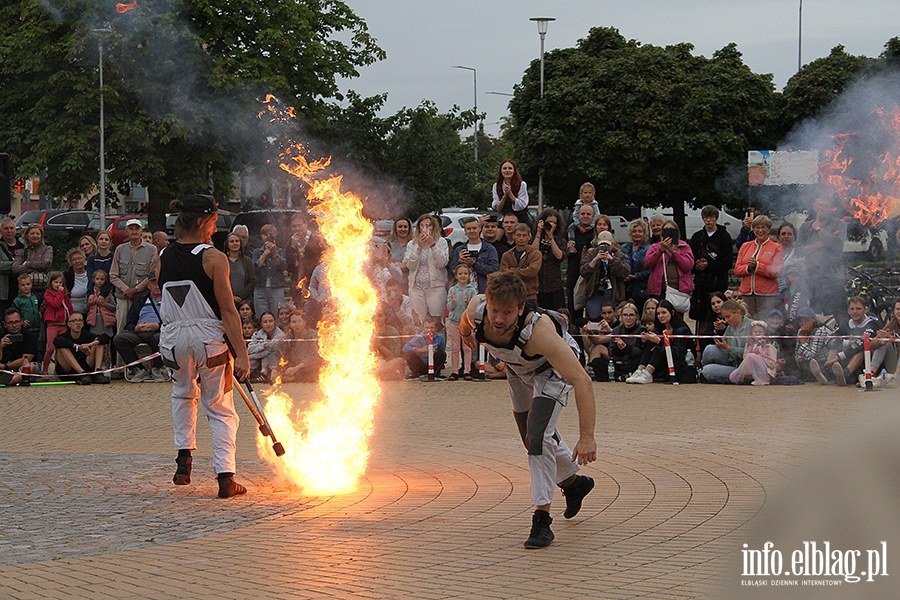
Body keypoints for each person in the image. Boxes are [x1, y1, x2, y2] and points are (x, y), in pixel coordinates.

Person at [459, 271, 597, 548]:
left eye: (508, 313)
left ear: (521, 309)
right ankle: (574, 484)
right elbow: (464, 321)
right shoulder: (477, 309)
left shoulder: (539, 332)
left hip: (553, 371)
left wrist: (587, 436)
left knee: (537, 436)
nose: (498, 319)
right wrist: (466, 336)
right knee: (531, 438)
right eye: (495, 310)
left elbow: (582, 380)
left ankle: (542, 519)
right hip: (517, 369)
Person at [158, 194, 250, 499]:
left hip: (172, 339)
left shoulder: (163, 257)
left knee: (183, 395)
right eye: (212, 222)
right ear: (201, 221)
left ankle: (183, 461)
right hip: (208, 339)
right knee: (221, 408)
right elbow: (227, 310)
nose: (215, 229)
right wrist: (241, 353)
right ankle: (226, 478)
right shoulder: (213, 258)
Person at [796, 196, 847, 321]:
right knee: (814, 314)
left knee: (836, 315)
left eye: (825, 206)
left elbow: (837, 245)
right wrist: (823, 242)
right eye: (819, 205)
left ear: (831, 209)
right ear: (814, 206)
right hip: (812, 277)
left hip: (834, 277)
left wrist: (819, 229)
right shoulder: (805, 227)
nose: (822, 209)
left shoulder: (839, 224)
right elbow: (798, 251)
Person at [824, 296, 892, 386]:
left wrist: (839, 357)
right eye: (852, 309)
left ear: (865, 310)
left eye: (858, 309)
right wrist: (846, 342)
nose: (855, 312)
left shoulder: (872, 324)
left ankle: (846, 373)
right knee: (834, 347)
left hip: (867, 361)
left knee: (861, 349)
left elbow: (861, 344)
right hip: (847, 356)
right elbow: (830, 340)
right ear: (848, 311)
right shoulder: (846, 324)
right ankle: (829, 371)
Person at [109, 219, 159, 341]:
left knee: (144, 328)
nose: (134, 231)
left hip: (142, 297)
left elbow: (152, 275)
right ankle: (121, 360)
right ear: (126, 231)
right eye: (131, 229)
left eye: (137, 228)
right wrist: (127, 290)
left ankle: (143, 360)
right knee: (121, 331)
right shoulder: (120, 249)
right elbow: (113, 275)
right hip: (123, 297)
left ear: (141, 230)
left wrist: (136, 289)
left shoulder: (151, 249)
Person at [625, 299, 695, 384]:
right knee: (652, 341)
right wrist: (644, 341)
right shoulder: (658, 328)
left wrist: (660, 342)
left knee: (658, 343)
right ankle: (640, 370)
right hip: (662, 363)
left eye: (664, 313)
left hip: (679, 363)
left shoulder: (682, 330)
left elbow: (677, 354)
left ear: (672, 313)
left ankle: (648, 372)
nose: (660, 316)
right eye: (658, 313)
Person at [689, 205, 734, 334]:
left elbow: (727, 262)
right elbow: (691, 260)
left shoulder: (724, 236)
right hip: (700, 285)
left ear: (716, 218)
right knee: (701, 317)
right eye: (706, 217)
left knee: (719, 315)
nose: (708, 220)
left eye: (711, 217)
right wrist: (697, 266)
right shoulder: (697, 237)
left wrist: (709, 265)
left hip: (718, 283)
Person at [114, 276, 167, 383]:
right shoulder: (139, 301)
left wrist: (158, 325)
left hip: (158, 331)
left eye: (158, 283)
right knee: (119, 339)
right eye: (153, 284)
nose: (156, 287)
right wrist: (136, 328)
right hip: (139, 332)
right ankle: (138, 369)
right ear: (148, 286)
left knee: (160, 339)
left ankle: (158, 368)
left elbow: (173, 323)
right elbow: (129, 322)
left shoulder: (168, 302)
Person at [403, 214, 449, 327]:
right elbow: (409, 265)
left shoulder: (441, 242)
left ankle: (439, 344)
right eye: (422, 225)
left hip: (436, 288)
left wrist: (433, 245)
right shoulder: (412, 244)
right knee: (418, 321)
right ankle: (420, 343)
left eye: (428, 225)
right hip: (416, 288)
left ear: (433, 227)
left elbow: (442, 263)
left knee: (437, 322)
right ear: (418, 227)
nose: (425, 227)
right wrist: (419, 248)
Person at [734, 214, 782, 318]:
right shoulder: (745, 246)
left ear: (768, 229)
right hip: (747, 293)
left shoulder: (776, 247)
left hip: (767, 294)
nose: (760, 230)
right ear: (753, 229)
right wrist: (748, 268)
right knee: (749, 321)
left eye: (763, 227)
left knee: (765, 323)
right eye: (757, 227)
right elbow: (737, 270)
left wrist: (758, 266)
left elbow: (776, 271)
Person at [579, 230, 630, 320]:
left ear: (612, 244)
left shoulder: (618, 254)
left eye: (607, 245)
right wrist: (595, 260)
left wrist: (612, 260)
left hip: (614, 293)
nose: (605, 247)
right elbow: (583, 272)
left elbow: (625, 273)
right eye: (602, 245)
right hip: (595, 293)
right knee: (595, 320)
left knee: (614, 320)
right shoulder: (592, 254)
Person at [700, 299, 753, 383]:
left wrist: (728, 348)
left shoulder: (752, 326)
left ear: (738, 313)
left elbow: (750, 353)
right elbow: (724, 342)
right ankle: (700, 371)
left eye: (728, 317)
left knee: (707, 370)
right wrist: (719, 341)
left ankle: (742, 378)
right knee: (709, 349)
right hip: (732, 360)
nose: (726, 320)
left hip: (745, 367)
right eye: (724, 318)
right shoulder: (730, 327)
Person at [644, 220, 694, 307]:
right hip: (659, 289)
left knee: (677, 317)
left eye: (671, 229)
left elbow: (688, 266)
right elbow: (647, 263)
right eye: (666, 230)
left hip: (679, 289)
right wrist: (660, 250)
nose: (669, 232)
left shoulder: (685, 246)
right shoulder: (655, 247)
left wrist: (675, 252)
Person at [53, 311, 110, 385]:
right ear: (69, 324)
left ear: (83, 324)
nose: (78, 323)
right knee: (62, 347)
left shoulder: (86, 334)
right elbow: (56, 341)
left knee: (99, 342)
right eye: (74, 321)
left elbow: (105, 337)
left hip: (86, 366)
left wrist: (89, 345)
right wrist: (77, 347)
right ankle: (82, 373)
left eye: (80, 320)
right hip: (68, 370)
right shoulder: (64, 336)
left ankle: (97, 373)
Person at [449, 217, 500, 294]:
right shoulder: (459, 249)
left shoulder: (489, 249)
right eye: (469, 229)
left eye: (474, 228)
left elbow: (494, 270)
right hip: (462, 292)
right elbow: (452, 271)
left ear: (480, 229)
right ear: (465, 231)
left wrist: (474, 264)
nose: (472, 231)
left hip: (483, 291)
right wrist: (460, 262)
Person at [446, 264, 477, 380]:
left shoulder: (472, 290)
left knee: (467, 348)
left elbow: (474, 306)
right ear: (456, 276)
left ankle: (466, 370)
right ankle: (454, 371)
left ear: (469, 276)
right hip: (454, 321)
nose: (463, 276)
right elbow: (449, 307)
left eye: (465, 273)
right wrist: (453, 301)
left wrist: (468, 303)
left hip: (467, 323)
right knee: (455, 347)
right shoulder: (452, 290)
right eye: (460, 274)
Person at [499, 223, 542, 309]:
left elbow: (532, 271)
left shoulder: (535, 253)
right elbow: (503, 273)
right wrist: (523, 270)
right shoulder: (507, 255)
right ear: (514, 236)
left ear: (529, 237)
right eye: (518, 235)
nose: (521, 238)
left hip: (530, 296)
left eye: (524, 235)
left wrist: (511, 270)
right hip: (511, 295)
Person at [565, 205, 597, 317]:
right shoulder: (571, 232)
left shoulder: (596, 232)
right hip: (573, 274)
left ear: (593, 216)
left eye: (588, 214)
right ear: (578, 215)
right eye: (583, 213)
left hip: (591, 277)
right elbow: (563, 254)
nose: (585, 216)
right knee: (572, 309)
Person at [531, 209, 566, 311]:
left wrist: (551, 237)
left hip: (554, 287)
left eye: (554, 223)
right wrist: (539, 232)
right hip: (537, 287)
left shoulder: (560, 241)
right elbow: (532, 253)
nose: (550, 225)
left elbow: (559, 256)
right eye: (548, 222)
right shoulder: (534, 239)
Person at [276, 310, 321, 383]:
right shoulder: (288, 337)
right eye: (294, 322)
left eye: (299, 321)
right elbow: (279, 352)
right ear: (290, 324)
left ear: (304, 322)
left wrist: (296, 368)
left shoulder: (312, 335)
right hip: (294, 365)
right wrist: (275, 369)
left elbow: (312, 357)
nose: (297, 324)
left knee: (312, 375)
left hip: (309, 366)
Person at [252, 223, 286, 318]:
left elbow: (284, 266)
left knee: (277, 316)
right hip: (260, 288)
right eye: (265, 234)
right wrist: (265, 254)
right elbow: (254, 268)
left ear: (275, 234)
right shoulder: (257, 251)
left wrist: (275, 252)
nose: (268, 237)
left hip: (277, 287)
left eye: (271, 234)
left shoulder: (281, 251)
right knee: (261, 316)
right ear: (261, 236)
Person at [728, 321, 778, 385]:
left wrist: (759, 357)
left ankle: (761, 379)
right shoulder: (749, 345)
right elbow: (745, 357)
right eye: (755, 332)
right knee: (733, 376)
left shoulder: (768, 346)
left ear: (764, 334)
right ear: (751, 334)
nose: (757, 334)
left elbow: (773, 364)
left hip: (765, 371)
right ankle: (752, 377)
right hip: (751, 369)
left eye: (760, 332)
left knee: (751, 356)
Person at [42, 272, 73, 373]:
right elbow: (56, 304)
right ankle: (45, 369)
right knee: (50, 348)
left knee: (60, 349)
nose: (59, 285)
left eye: (61, 283)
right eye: (56, 282)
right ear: (51, 283)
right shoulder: (48, 294)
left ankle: (58, 369)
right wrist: (60, 293)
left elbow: (70, 308)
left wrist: (72, 319)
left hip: (63, 325)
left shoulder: (66, 295)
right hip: (52, 325)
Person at [795, 306, 835, 384]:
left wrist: (803, 338)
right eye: (800, 321)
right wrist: (800, 358)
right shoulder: (801, 331)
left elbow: (811, 355)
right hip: (809, 362)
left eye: (806, 320)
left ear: (813, 320)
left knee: (811, 362)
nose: (803, 323)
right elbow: (797, 354)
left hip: (824, 362)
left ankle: (823, 376)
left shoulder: (821, 331)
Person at [12, 224, 53, 300]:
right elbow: (15, 268)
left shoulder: (47, 249)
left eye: (37, 234)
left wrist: (27, 264)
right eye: (32, 233)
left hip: (43, 291)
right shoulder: (22, 251)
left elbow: (46, 263)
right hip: (24, 293)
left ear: (41, 236)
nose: (35, 236)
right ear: (27, 235)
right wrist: (37, 270)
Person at [0, 308, 38, 386]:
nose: (14, 325)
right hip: (5, 368)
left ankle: (9, 381)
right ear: (5, 324)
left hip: (25, 366)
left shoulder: (29, 336)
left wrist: (5, 366)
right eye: (10, 323)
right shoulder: (1, 336)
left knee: (31, 367)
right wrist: (0, 347)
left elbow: (26, 359)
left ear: (21, 322)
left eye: (17, 322)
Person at [620, 219, 651, 313]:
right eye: (634, 231)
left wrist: (636, 276)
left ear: (645, 233)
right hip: (626, 288)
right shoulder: (624, 248)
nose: (637, 233)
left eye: (640, 231)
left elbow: (652, 270)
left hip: (642, 289)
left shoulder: (649, 249)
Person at [609, 302, 644, 382]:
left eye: (631, 315)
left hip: (633, 361)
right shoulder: (616, 330)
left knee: (637, 362)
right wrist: (617, 347)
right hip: (619, 361)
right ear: (621, 317)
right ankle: (622, 376)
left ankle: (622, 376)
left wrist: (626, 347)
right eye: (625, 315)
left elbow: (642, 352)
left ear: (637, 317)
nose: (628, 318)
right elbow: (610, 352)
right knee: (598, 362)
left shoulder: (642, 330)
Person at [402, 314, 446, 378]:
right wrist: (420, 350)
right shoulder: (418, 338)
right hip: (421, 364)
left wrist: (435, 351)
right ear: (423, 328)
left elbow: (441, 351)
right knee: (409, 354)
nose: (429, 330)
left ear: (436, 328)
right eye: (427, 327)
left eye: (432, 328)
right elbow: (405, 348)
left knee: (442, 354)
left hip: (433, 364)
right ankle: (415, 373)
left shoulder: (439, 339)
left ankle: (436, 373)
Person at [247, 311, 284, 383]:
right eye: (265, 322)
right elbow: (249, 349)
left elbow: (272, 351)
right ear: (261, 324)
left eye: (270, 321)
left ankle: (264, 374)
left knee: (269, 355)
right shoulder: (257, 334)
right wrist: (264, 345)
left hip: (275, 362)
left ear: (275, 322)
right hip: (258, 360)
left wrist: (250, 356)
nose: (268, 324)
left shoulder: (281, 335)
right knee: (256, 359)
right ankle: (250, 375)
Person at [491, 159, 530, 227]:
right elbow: (498, 208)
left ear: (514, 171)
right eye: (504, 168)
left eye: (510, 168)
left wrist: (510, 194)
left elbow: (522, 205)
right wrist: (505, 196)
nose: (507, 170)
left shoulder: (522, 184)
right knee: (498, 236)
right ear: (501, 171)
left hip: (521, 219)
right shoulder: (496, 186)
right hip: (506, 221)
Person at [85, 269, 117, 343]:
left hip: (106, 322)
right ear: (93, 280)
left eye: (102, 279)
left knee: (106, 341)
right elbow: (85, 309)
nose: (99, 281)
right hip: (94, 321)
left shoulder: (108, 294)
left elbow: (114, 307)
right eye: (97, 279)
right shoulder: (90, 294)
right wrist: (90, 303)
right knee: (94, 341)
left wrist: (105, 304)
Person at [0, 218, 24, 315]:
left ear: (15, 229)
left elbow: (32, 263)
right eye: (6, 228)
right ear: (1, 231)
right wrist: (18, 265)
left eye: (11, 228)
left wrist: (8, 267)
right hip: (4, 292)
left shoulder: (23, 245)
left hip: (22, 291)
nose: (9, 231)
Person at [224, 233, 256, 306]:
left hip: (244, 301)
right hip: (226, 299)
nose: (235, 243)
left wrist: (240, 296)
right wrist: (231, 296)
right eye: (232, 241)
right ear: (227, 244)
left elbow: (252, 281)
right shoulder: (222, 260)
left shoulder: (247, 261)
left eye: (237, 241)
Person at [12, 273, 42, 342]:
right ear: (19, 286)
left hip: (38, 327)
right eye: (23, 285)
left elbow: (42, 308)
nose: (26, 287)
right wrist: (22, 321)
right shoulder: (18, 300)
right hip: (26, 328)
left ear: (31, 285)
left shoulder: (37, 297)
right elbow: (14, 313)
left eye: (28, 284)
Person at [63, 248, 90, 315]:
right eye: (74, 260)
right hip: (72, 313)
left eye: (79, 258)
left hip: (90, 313)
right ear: (71, 262)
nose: (77, 261)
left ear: (85, 259)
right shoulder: (66, 275)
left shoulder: (92, 273)